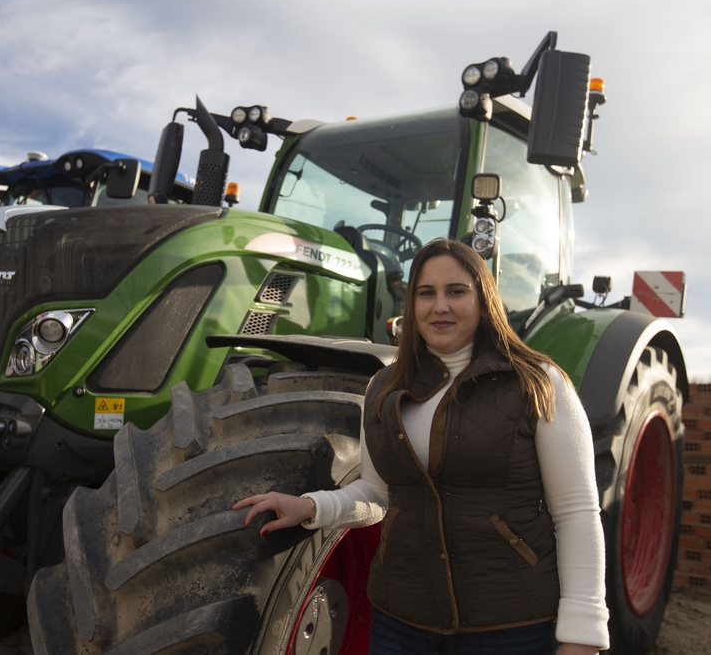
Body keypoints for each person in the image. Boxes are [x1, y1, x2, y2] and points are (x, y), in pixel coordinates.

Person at [234, 238, 609, 655]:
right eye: (425, 293)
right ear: (411, 305)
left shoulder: (536, 383)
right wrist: (313, 506)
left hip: (509, 627)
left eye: (456, 291)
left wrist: (583, 634)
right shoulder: (384, 387)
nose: (440, 306)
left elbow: (576, 513)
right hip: (402, 625)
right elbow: (378, 495)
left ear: (484, 301)